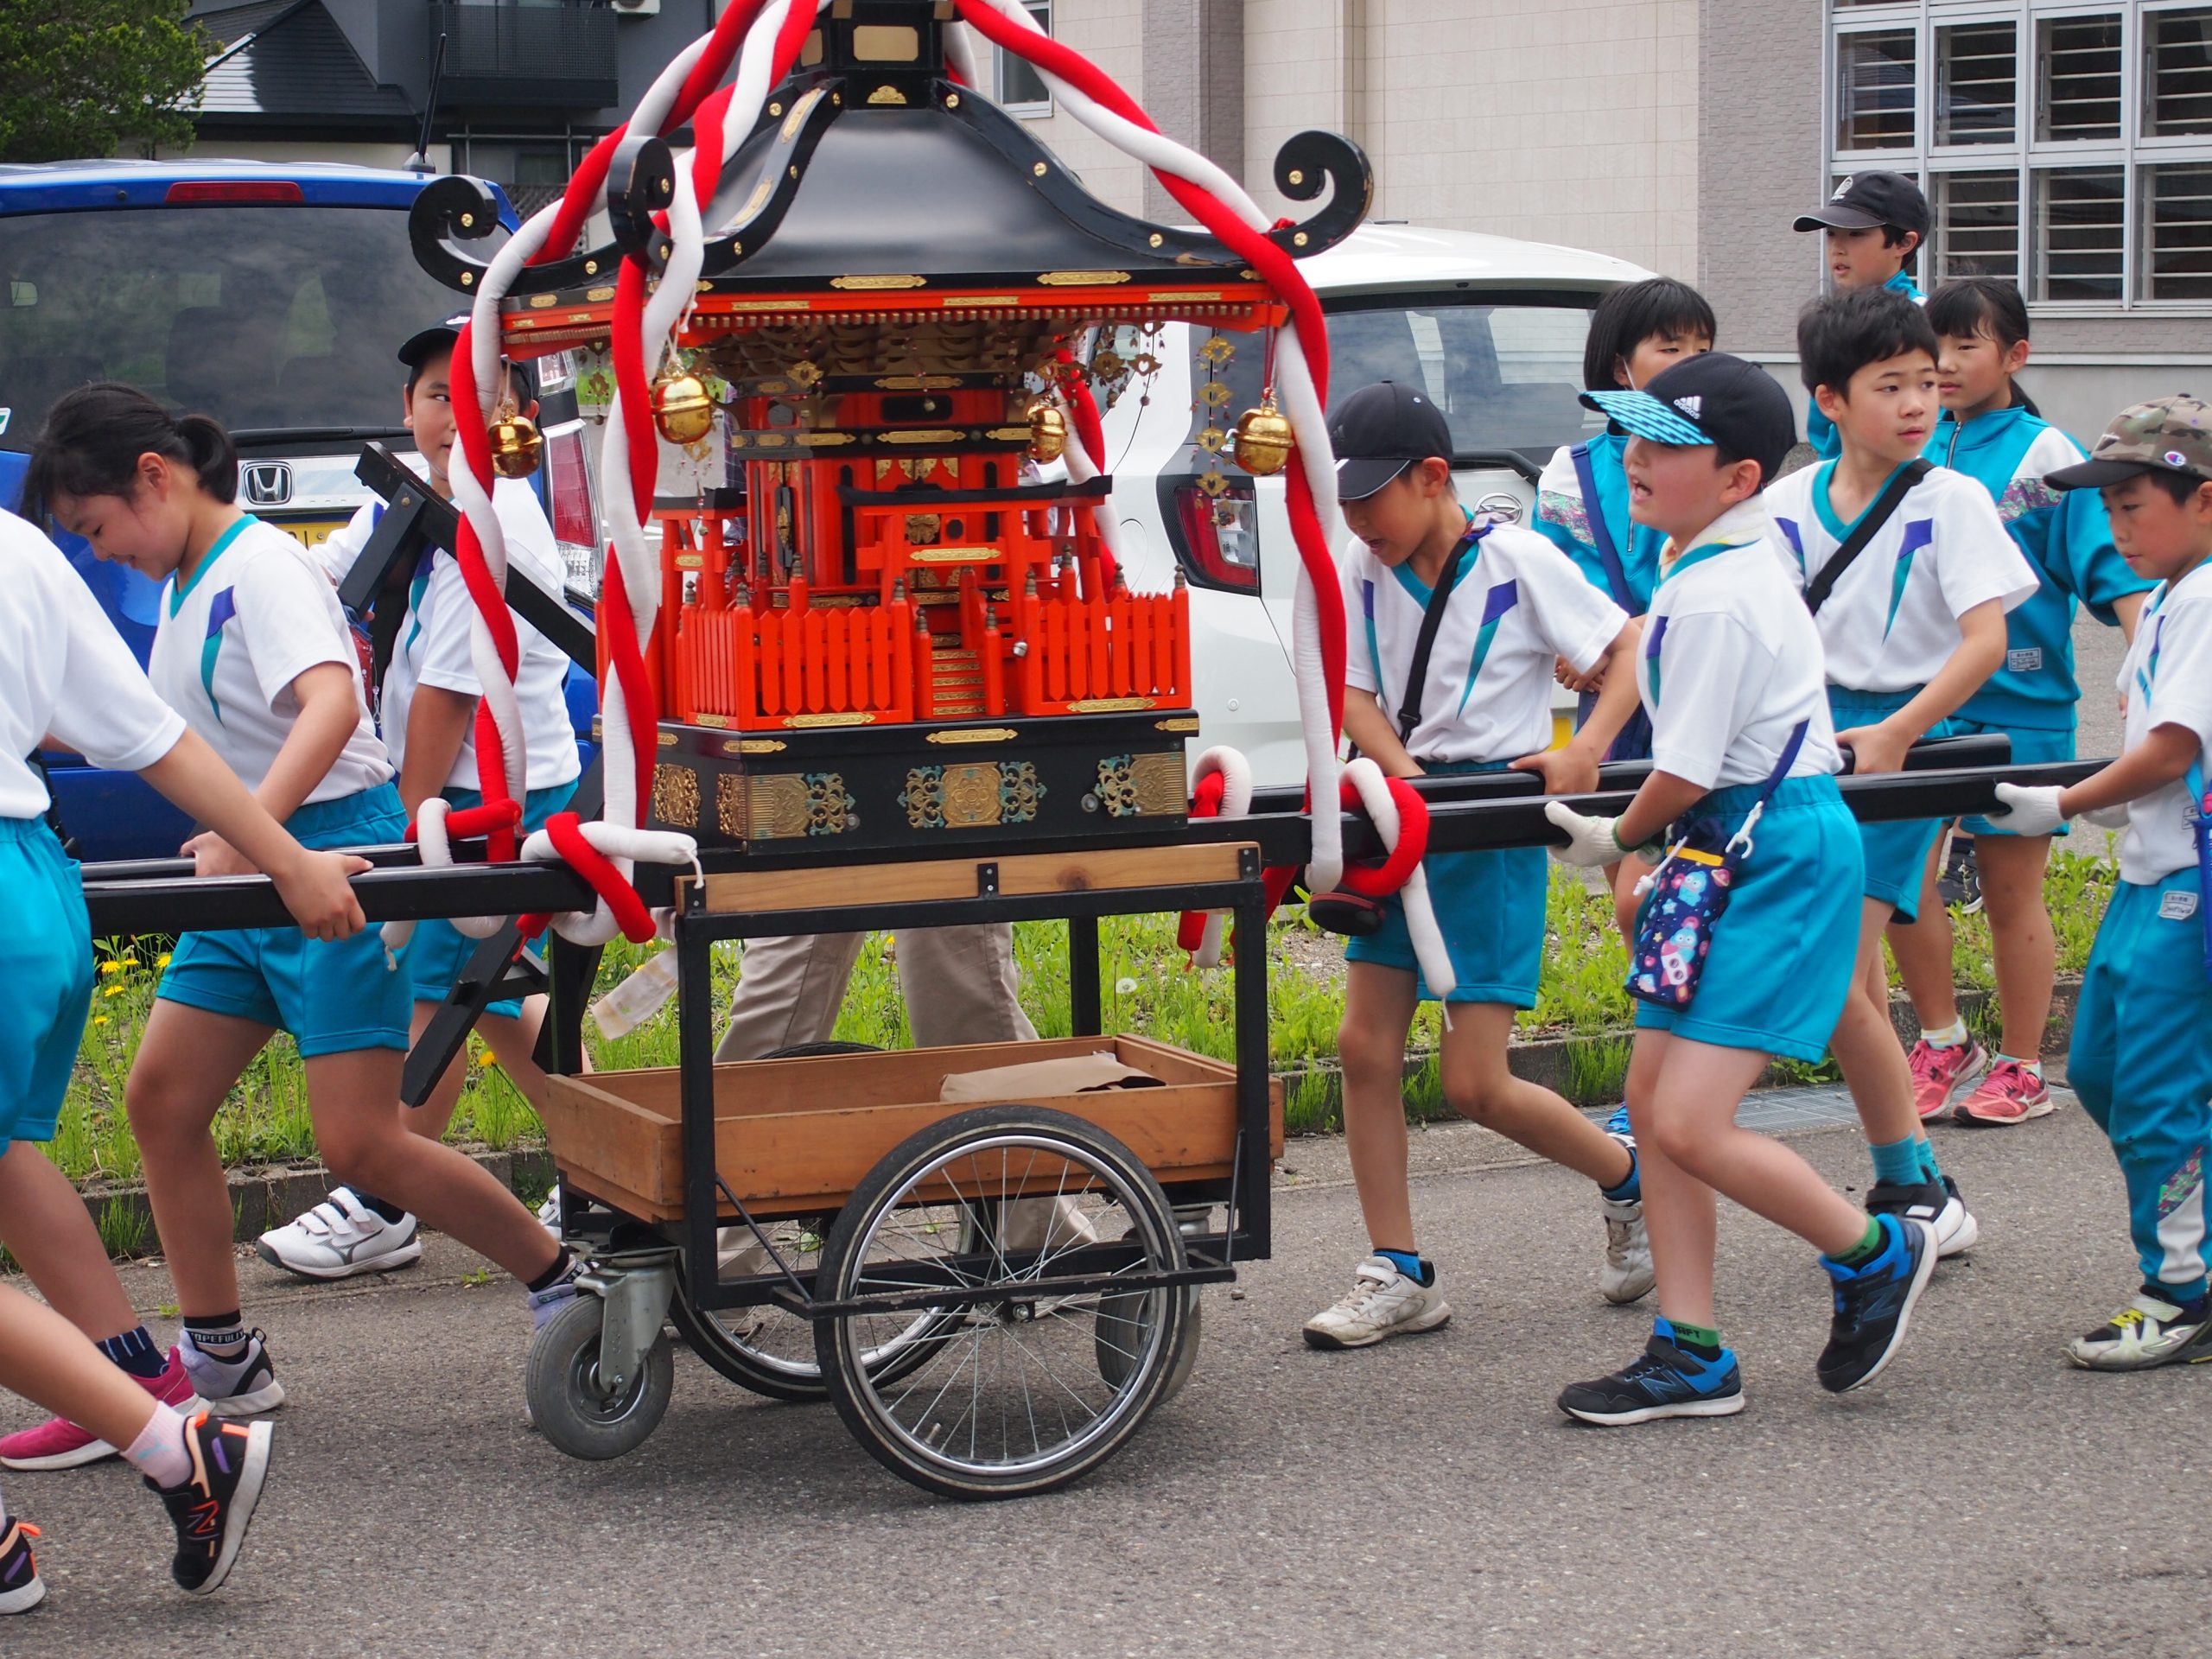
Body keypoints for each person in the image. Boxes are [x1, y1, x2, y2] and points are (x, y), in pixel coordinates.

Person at [13, 385, 582, 1441]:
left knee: (362, 1143)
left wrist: (254, 831)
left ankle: (560, 1283)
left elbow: (331, 705)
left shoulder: (261, 566)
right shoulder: (189, 578)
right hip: (253, 872)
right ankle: (216, 1356)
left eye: (97, 528)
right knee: (161, 1100)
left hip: (328, 855)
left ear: (153, 478)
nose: (102, 553)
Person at [1543, 352, 1937, 1424]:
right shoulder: (1706, 567)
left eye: (1667, 446)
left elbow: (1683, 770)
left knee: (1685, 1120)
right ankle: (1690, 1350)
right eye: (1633, 437)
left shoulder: (1717, 594)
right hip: (1732, 846)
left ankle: (1872, 1251)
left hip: (1775, 853)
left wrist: (1614, 839)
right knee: (1649, 1104)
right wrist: (1649, 846)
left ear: (1738, 477)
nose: (1636, 459)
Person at [0, 503, 372, 1591]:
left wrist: (289, 859)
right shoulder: (19, 548)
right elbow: (150, 736)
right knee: (11, 1163)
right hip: (35, 887)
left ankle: (176, 1447)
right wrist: (284, 859)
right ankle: (139, 1405)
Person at [1301, 379, 1652, 1351]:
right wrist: (1405, 781)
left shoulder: (1518, 559)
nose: (1357, 519)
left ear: (1432, 477)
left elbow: (1627, 646)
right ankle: (1398, 1268)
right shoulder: (1361, 565)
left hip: (1490, 826)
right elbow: (1351, 693)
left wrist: (1587, 750)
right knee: (1364, 1047)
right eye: (1344, 500)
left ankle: (1628, 1179)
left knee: (1475, 1083)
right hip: (1402, 820)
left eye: (1371, 498)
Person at [257, 317, 584, 1278]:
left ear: (519, 418)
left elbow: (449, 694)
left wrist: (405, 832)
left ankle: (382, 1197)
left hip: (490, 793)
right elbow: (323, 580)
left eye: (483, 400)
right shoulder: (410, 496)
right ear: (407, 407)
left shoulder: (496, 521)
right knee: (490, 993)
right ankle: (603, 1162)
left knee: (438, 991)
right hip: (460, 787)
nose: (457, 417)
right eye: (440, 396)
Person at [1762, 289, 2035, 1260]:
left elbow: (1985, 641)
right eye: (1891, 386)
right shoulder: (1783, 504)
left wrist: (1900, 733)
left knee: (1837, 961)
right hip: (1806, 740)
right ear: (1829, 400)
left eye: (1927, 381)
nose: (1918, 401)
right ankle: (1914, 1170)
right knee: (1854, 974)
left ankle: (1910, 1180)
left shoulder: (1951, 499)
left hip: (1905, 747)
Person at [1886, 279, 2153, 1127]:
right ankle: (1942, 1040)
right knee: (1899, 884)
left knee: (2011, 893)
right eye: (1934, 348)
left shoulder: (2044, 454)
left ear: (2015, 355)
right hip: (1917, 708)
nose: (1946, 364)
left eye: (1967, 345)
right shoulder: (1907, 447)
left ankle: (2022, 1066)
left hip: (2023, 707)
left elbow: (2108, 568)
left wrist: (2148, 665)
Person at [1981, 395, 2212, 1368]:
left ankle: (2182, 1292)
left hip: (2191, 885)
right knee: (2105, 1071)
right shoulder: (2168, 598)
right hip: (2152, 872)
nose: (2116, 527)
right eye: (2107, 508)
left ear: (2204, 500)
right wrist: (2110, 800)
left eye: (2133, 505)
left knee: (2153, 1090)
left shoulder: (2204, 598)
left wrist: (2065, 805)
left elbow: (2171, 749)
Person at [1535, 276, 1716, 946]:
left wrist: (1612, 641)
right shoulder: (1573, 470)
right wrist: (1575, 647)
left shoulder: (1717, 463)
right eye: (1671, 348)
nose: (1690, 362)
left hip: (1688, 683)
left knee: (1655, 890)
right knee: (1634, 893)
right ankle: (1657, 991)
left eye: (1702, 350)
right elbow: (1551, 578)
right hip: (1613, 696)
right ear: (1620, 368)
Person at [1792, 169, 1929, 461]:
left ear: (1904, 243)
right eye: (1831, 234)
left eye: (1856, 234)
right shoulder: (1830, 321)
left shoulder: (1927, 319)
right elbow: (1822, 430)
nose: (1838, 248)